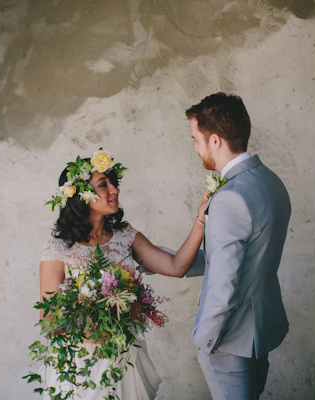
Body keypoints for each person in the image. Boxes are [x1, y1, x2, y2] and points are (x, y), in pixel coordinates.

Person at [39, 149, 209, 400]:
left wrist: (200, 219)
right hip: (81, 363)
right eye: (103, 185)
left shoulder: (125, 235)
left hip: (123, 355)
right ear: (81, 197)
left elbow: (176, 266)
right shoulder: (58, 249)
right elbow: (48, 320)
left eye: (112, 183)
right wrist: (96, 334)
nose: (114, 190)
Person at [181, 92, 292, 399]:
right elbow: (249, 254)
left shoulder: (230, 197)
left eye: (196, 139)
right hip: (260, 330)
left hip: (230, 341)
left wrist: (205, 342)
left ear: (215, 140)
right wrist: (170, 260)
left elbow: (223, 283)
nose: (194, 147)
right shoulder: (270, 181)